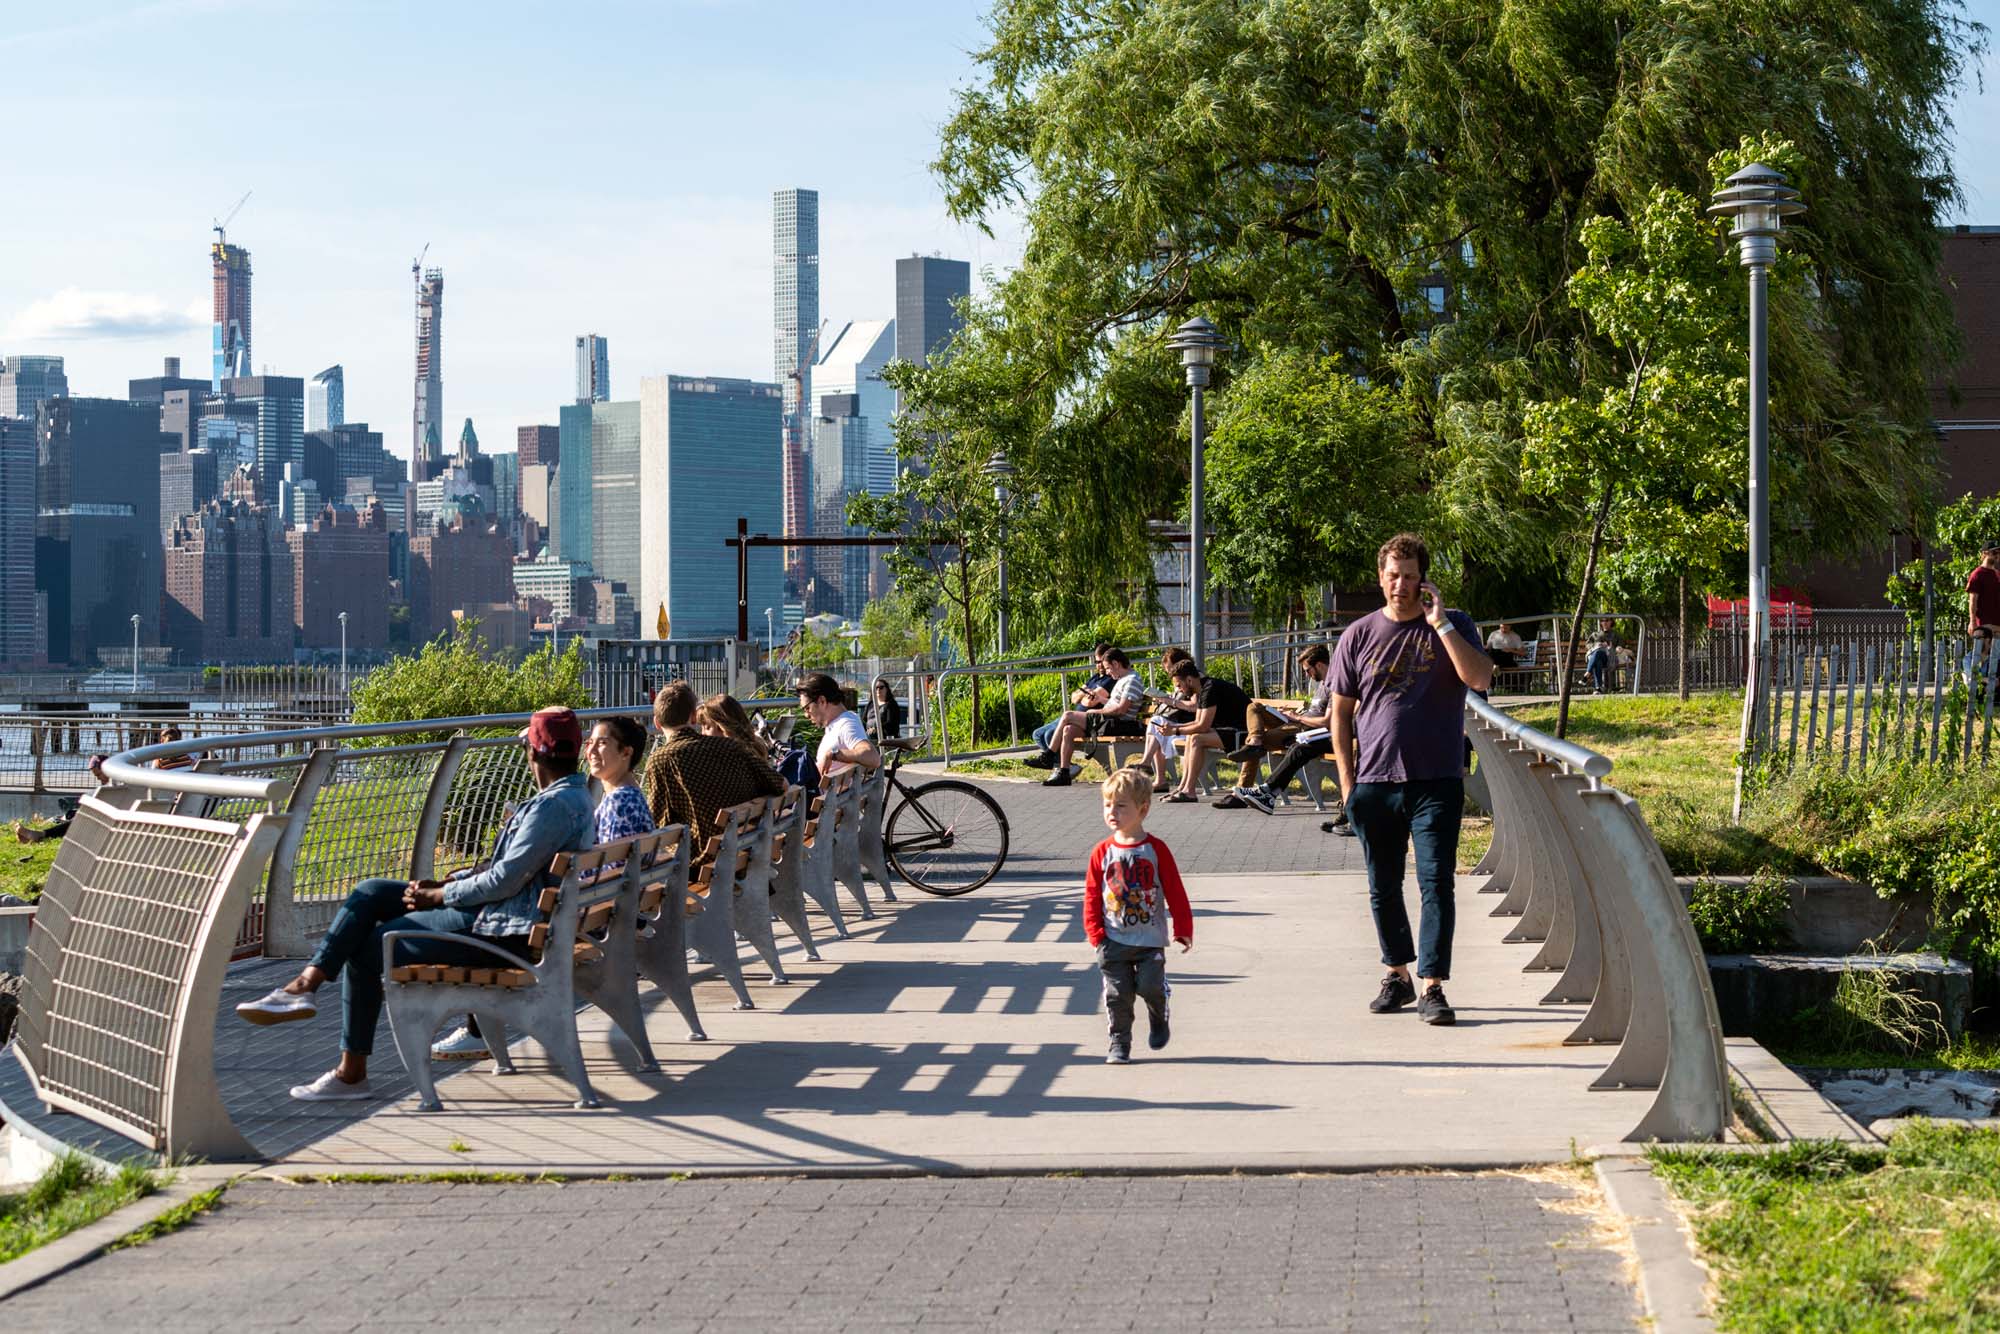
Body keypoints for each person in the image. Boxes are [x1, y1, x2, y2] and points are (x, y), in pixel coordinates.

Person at [232, 707, 597, 1100]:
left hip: (505, 935)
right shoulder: (573, 798)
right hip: (512, 920)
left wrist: (439, 896)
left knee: (372, 946)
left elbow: (503, 880)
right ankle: (303, 986)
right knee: (372, 892)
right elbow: (510, 873)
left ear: (534, 753)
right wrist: (448, 882)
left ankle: (350, 1074)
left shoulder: (552, 807)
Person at [1332, 533, 1493, 1028]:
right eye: (1392, 575)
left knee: (1435, 882)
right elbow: (1339, 715)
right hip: (1375, 782)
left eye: (1409, 575)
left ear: (1423, 578)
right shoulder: (1357, 635)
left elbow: (1480, 679)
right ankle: (1396, 974)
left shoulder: (1453, 625)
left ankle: (1433, 986)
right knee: (1382, 886)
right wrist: (1347, 785)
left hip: (1437, 779)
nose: (1400, 584)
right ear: (1380, 577)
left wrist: (1440, 622)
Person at [432, 713, 655, 1063]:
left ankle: (477, 1032)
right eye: (589, 742)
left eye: (602, 743)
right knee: (505, 903)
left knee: (499, 913)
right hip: (605, 913)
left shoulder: (620, 803)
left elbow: (610, 871)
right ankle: (477, 1029)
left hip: (591, 923)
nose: (591, 751)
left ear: (625, 753)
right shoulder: (626, 797)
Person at [1084, 768, 1193, 1064]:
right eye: (1108, 805)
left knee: (1149, 987)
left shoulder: (1156, 850)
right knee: (1117, 997)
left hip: (1149, 939)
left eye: (1121, 805)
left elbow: (1175, 891)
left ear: (1142, 809)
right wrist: (1096, 935)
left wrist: (1183, 927)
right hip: (1113, 939)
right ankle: (1119, 1043)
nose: (1112, 812)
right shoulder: (1101, 852)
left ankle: (1159, 1015)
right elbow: (1092, 895)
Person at [646, 682, 787, 845]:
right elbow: (782, 785)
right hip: (747, 847)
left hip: (702, 861)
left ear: (657, 723)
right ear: (693, 716)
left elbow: (655, 824)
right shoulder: (732, 746)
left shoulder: (660, 760)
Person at [1222, 647, 1339, 816]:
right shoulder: (1322, 684)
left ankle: (1251, 789)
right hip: (1297, 723)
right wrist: (1292, 715)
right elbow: (1315, 712)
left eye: (1307, 670)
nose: (1306, 675)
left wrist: (1297, 718)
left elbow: (1326, 721)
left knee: (1263, 744)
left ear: (1319, 665)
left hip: (1308, 730)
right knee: (1254, 708)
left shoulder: (1335, 684)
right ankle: (1255, 742)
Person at [1041, 649, 1146, 787]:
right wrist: (1100, 699)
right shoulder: (1123, 679)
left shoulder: (1132, 680)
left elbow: (1121, 710)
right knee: (1069, 730)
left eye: (1108, 668)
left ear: (1116, 664)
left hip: (1117, 723)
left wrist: (1096, 712)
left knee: (1068, 715)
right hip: (1108, 721)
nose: (1107, 672)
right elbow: (1113, 704)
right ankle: (1064, 773)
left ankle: (1049, 755)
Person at [1157, 659, 1249, 804]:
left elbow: (1203, 726)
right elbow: (1197, 723)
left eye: (1179, 685)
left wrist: (1174, 730)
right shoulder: (1203, 688)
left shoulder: (1210, 689)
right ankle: (1183, 788)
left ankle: (1189, 791)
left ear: (1189, 680)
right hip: (1229, 731)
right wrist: (1173, 729)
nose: (1179, 690)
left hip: (1243, 733)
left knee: (1196, 738)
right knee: (1191, 736)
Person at [1024, 645, 1114, 768]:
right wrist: (1085, 693)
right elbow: (1074, 698)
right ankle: (1059, 764)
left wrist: (1082, 693)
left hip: (1083, 719)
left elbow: (1089, 703)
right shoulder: (1095, 678)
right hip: (1073, 716)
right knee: (1037, 734)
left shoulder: (1109, 680)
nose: (1099, 665)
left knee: (1049, 734)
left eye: (1101, 662)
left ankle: (1059, 765)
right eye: (1096, 662)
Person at [797, 672, 880, 781]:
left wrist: (834, 753)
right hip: (833, 794)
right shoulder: (838, 722)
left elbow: (873, 757)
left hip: (827, 796)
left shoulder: (846, 724)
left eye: (807, 708)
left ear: (822, 701)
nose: (806, 715)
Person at [15, 754, 109, 844]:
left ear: (107, 769)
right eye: (96, 776)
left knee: (83, 819)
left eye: (99, 775)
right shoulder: (112, 787)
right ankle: (41, 832)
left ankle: (41, 834)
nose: (98, 779)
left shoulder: (116, 787)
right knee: (75, 815)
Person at [695, 693, 770, 758]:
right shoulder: (754, 749)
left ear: (723, 728)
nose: (702, 733)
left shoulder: (729, 758)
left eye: (707, 728)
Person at [1968, 543, 2000, 640]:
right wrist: (1972, 622)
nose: (1997, 555)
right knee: (1983, 653)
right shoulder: (1977, 574)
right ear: (1985, 553)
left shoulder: (1997, 574)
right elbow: (1973, 601)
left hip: (1998, 625)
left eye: (1999, 552)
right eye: (1994, 552)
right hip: (1984, 625)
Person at [1584, 619, 1619, 693]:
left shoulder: (1616, 634)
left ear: (1611, 622)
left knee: (1598, 653)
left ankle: (1587, 673)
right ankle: (1598, 688)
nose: (1605, 622)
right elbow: (1588, 644)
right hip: (1597, 659)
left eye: (1607, 620)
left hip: (1609, 658)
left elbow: (1621, 644)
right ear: (1601, 623)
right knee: (1598, 660)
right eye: (1603, 620)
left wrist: (1610, 645)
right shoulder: (1595, 634)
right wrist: (1595, 645)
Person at [867, 679, 905, 743]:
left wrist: (874, 729)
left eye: (881, 687)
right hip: (871, 741)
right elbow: (864, 720)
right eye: (876, 688)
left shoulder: (891, 705)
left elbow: (890, 724)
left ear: (886, 689)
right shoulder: (870, 704)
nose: (878, 690)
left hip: (887, 742)